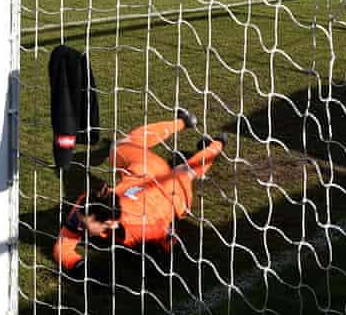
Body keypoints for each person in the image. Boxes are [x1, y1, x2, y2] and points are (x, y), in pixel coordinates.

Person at [53, 109, 227, 280]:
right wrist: (79, 266)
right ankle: (183, 121)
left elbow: (169, 238)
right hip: (140, 173)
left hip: (170, 195)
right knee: (120, 145)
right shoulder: (86, 205)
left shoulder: (146, 228)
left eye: (84, 225)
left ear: (110, 223)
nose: (79, 227)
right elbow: (62, 245)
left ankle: (218, 143)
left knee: (186, 170)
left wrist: (161, 256)